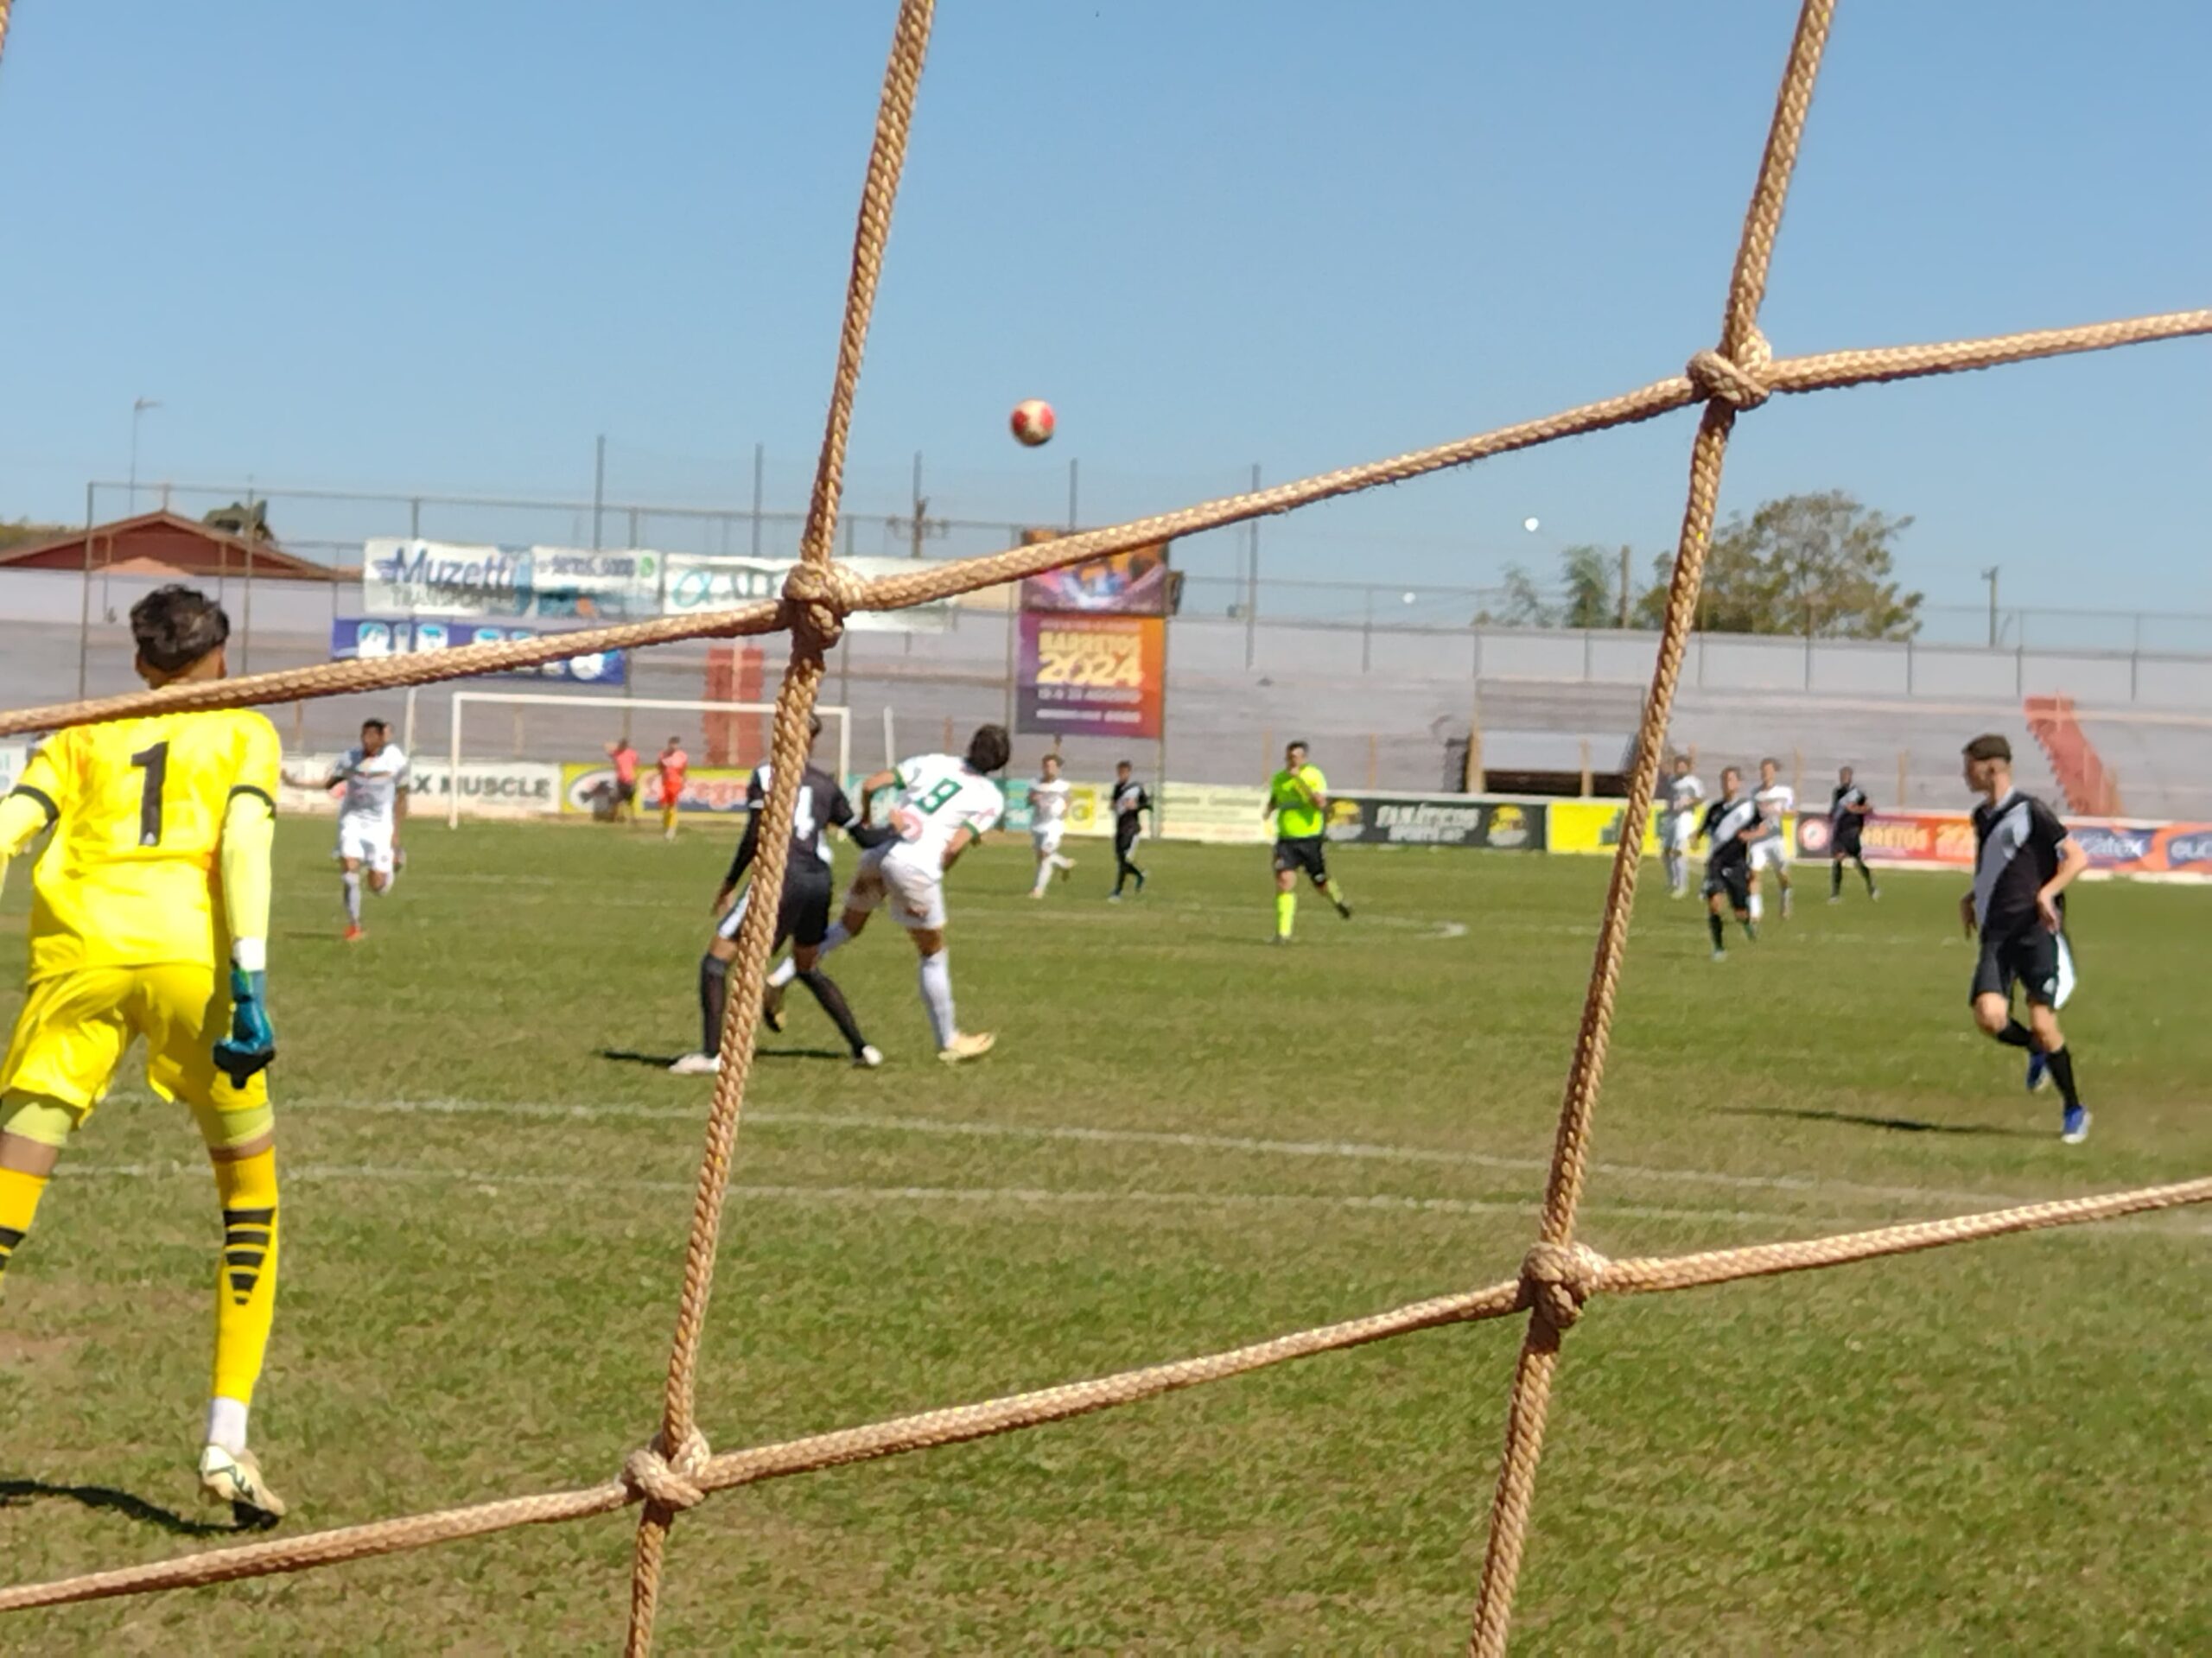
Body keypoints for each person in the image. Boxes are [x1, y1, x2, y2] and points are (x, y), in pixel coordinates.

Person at [0, 587, 289, 1521]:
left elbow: (12, 820)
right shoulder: (245, 731)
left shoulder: (80, 729)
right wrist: (247, 977)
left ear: (138, 664)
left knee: (12, 1183)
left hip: (78, 959)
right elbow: (243, 842)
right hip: (190, 968)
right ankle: (225, 1438)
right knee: (249, 1192)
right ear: (223, 657)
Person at [766, 724, 1008, 1063]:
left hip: (879, 854)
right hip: (915, 867)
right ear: (1001, 762)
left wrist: (867, 817)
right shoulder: (991, 797)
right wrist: (934, 874)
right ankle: (948, 1040)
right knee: (933, 952)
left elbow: (871, 784)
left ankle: (780, 977)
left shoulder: (934, 761)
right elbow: (955, 844)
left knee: (849, 926)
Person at [671, 717, 877, 1075]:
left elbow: (755, 834)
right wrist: (900, 833)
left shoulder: (768, 775)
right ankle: (862, 1047)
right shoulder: (824, 783)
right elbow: (863, 836)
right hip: (819, 881)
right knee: (807, 966)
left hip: (780, 877)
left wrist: (730, 880)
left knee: (715, 962)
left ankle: (710, 1055)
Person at [1961, 734, 2091, 1142]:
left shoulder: (2032, 811)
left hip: (2034, 932)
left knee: (2043, 1021)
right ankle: (2034, 1050)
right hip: (1997, 933)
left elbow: (2077, 857)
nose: (1966, 774)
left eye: (1970, 766)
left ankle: (2074, 1108)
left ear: (1992, 767)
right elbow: (1995, 866)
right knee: (1989, 1016)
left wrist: (2047, 893)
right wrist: (1972, 895)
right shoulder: (1981, 816)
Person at [287, 718, 407, 942]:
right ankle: (355, 926)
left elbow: (402, 796)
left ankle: (391, 864)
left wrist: (395, 834)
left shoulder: (395, 760)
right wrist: (294, 784)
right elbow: (329, 784)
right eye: (364, 735)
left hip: (380, 824)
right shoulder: (349, 758)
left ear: (381, 738)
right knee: (349, 870)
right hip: (352, 820)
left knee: (377, 886)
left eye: (372, 735)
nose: (366, 740)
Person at [1263, 740, 1351, 942]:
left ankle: (1337, 900)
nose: (1292, 761)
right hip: (1286, 840)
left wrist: (1299, 782)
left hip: (1310, 839)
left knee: (1320, 883)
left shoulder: (1313, 775)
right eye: (1289, 757)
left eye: (1296, 757)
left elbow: (1319, 803)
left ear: (1304, 758)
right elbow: (1276, 798)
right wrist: (1268, 810)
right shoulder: (1278, 778)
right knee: (1284, 882)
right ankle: (1283, 934)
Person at [1697, 765, 1764, 960]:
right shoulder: (1714, 809)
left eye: (1732, 780)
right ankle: (1718, 948)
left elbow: (1763, 829)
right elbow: (1702, 830)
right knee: (1715, 904)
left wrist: (1749, 835)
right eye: (1725, 780)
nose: (1728, 784)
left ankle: (1746, 923)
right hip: (1715, 863)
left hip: (1737, 863)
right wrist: (1695, 838)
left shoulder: (1748, 807)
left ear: (1739, 783)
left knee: (1740, 911)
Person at [1747, 756, 1795, 921]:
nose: (1766, 773)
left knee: (1782, 875)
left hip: (1776, 839)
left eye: (1769, 770)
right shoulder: (1754, 794)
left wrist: (1784, 813)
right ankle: (1755, 912)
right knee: (1754, 874)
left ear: (1774, 772)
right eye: (1763, 770)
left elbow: (1791, 812)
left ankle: (1786, 894)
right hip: (1758, 841)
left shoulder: (1784, 792)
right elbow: (1751, 816)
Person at [1027, 752, 1077, 899]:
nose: (1049, 769)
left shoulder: (1063, 786)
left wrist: (1064, 810)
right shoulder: (1035, 784)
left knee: (1045, 854)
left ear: (1058, 769)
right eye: (1047, 766)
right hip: (1038, 824)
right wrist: (1033, 799)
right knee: (1042, 857)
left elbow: (1069, 800)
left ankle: (1038, 890)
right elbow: (1028, 800)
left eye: (1053, 766)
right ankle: (1064, 863)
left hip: (1054, 826)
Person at [1827, 764, 1878, 902]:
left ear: (1850, 777)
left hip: (1853, 831)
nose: (1843, 778)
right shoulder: (1837, 792)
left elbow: (1868, 808)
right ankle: (1835, 894)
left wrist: (1855, 810)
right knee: (1838, 859)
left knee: (1857, 861)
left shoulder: (1857, 793)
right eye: (1841, 776)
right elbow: (1835, 810)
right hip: (1840, 831)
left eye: (1846, 776)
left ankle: (1871, 887)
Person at [1660, 753, 1705, 899]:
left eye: (1683, 766)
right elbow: (1668, 797)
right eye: (1678, 766)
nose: (1680, 768)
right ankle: (1672, 881)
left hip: (1685, 818)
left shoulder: (1693, 782)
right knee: (1666, 851)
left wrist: (1689, 802)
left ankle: (1682, 886)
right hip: (1671, 817)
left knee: (1678, 850)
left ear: (1687, 767)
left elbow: (1701, 798)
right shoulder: (1671, 781)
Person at [1108, 759, 1149, 901]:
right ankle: (1140, 874)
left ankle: (1117, 892)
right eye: (1119, 772)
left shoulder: (1136, 788)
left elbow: (1148, 804)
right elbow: (1113, 804)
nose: (1121, 774)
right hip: (1120, 828)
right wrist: (1113, 805)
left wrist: (1136, 805)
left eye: (1124, 772)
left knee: (1124, 859)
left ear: (1129, 772)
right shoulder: (1117, 787)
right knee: (1120, 860)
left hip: (1132, 829)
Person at [657, 736, 690, 842]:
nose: (673, 746)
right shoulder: (663, 755)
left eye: (676, 744)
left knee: (673, 806)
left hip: (675, 784)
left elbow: (684, 771)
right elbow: (659, 767)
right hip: (665, 784)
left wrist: (683, 782)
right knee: (664, 807)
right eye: (672, 743)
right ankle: (666, 826)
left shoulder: (682, 756)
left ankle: (671, 829)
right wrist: (661, 778)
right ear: (669, 744)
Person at [607, 738, 640, 824]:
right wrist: (614, 746)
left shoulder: (632, 753)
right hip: (620, 780)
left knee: (630, 801)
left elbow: (637, 765)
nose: (622, 747)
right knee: (617, 800)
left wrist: (636, 778)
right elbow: (607, 747)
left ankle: (632, 818)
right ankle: (615, 819)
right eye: (621, 745)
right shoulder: (616, 753)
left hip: (630, 780)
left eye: (624, 745)